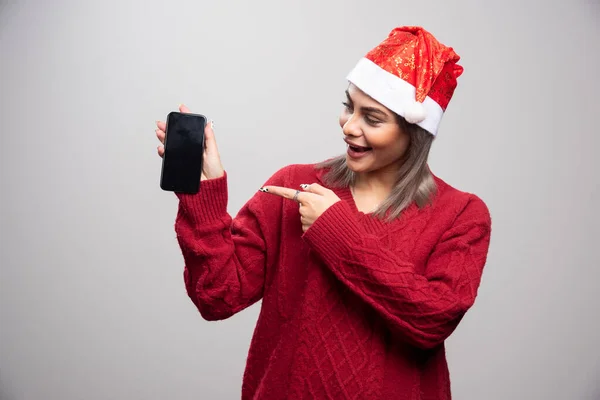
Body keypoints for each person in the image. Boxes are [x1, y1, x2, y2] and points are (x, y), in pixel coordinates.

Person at [155, 25, 492, 400]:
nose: (349, 127)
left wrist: (334, 229)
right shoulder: (293, 185)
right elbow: (217, 296)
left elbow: (432, 319)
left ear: (414, 132)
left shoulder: (461, 215)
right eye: (349, 106)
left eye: (373, 118)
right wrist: (204, 196)